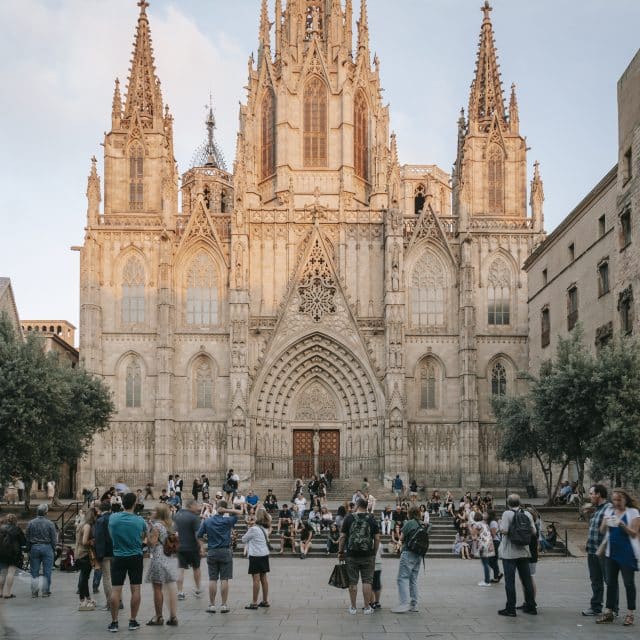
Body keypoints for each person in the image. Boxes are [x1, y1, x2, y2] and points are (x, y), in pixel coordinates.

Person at [596, 488, 640, 626]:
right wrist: (605, 522)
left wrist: (622, 525)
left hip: (627, 553)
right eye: (614, 500)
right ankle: (609, 611)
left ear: (625, 499)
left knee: (628, 584)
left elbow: (633, 533)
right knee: (611, 583)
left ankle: (630, 613)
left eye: (619, 500)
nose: (616, 502)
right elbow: (602, 531)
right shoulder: (609, 511)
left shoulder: (633, 512)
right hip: (611, 553)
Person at [107, 492, 147, 632]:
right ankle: (133, 620)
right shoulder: (140, 520)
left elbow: (111, 535)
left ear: (122, 503)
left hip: (118, 556)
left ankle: (114, 622)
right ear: (135, 503)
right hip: (135, 556)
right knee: (135, 589)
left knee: (116, 589)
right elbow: (145, 537)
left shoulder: (113, 518)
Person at [197, 500, 243, 613]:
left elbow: (199, 536)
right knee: (224, 579)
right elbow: (239, 512)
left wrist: (202, 547)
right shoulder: (227, 521)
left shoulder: (207, 521)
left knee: (212, 579)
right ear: (223, 509)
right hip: (225, 551)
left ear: (216, 508)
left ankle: (212, 605)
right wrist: (226, 510)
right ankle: (223, 605)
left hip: (212, 551)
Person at [338, 497, 380, 615]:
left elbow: (342, 537)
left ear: (357, 505)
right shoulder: (372, 519)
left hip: (351, 554)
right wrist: (374, 552)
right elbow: (377, 538)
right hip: (368, 554)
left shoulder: (349, 518)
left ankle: (353, 607)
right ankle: (367, 608)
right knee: (367, 581)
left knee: (353, 581)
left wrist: (340, 552)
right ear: (366, 506)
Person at [498, 494, 537, 617]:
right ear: (519, 502)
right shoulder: (527, 514)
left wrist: (501, 526)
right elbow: (534, 531)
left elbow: (504, 530)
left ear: (508, 503)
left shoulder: (507, 514)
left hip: (509, 552)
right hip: (524, 552)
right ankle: (531, 606)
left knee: (510, 581)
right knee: (527, 580)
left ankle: (510, 608)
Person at [582, 484, 614, 617]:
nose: (590, 496)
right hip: (592, 550)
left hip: (604, 551)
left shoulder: (609, 508)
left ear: (598, 494)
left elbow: (611, 530)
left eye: (591, 493)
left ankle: (613, 608)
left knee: (609, 580)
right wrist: (588, 515)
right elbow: (593, 528)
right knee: (595, 580)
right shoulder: (597, 509)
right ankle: (595, 607)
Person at [145, 503, 179, 626]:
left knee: (157, 588)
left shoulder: (157, 526)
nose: (152, 512)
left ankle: (158, 617)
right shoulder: (170, 525)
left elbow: (152, 543)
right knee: (171, 587)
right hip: (169, 557)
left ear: (158, 513)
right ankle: (173, 616)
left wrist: (147, 534)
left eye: (154, 510)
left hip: (159, 557)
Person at [391, 505, 424, 613]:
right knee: (413, 580)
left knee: (402, 578)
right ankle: (414, 605)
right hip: (418, 554)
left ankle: (404, 604)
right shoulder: (421, 523)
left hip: (408, 553)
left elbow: (401, 538)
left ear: (409, 513)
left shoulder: (409, 523)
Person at [25, 503, 57, 598]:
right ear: (46, 512)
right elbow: (53, 538)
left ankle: (34, 592)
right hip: (47, 547)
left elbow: (27, 536)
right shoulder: (50, 523)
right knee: (47, 571)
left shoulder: (31, 523)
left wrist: (28, 548)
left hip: (34, 547)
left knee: (34, 570)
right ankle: (45, 591)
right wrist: (54, 548)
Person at [242, 509, 271, 609]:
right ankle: (265, 600)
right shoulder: (265, 528)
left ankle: (254, 602)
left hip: (255, 555)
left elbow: (243, 539)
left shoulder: (254, 529)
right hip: (264, 555)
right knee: (264, 578)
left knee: (256, 580)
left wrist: (250, 526)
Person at [175, 499, 203, 601]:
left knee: (180, 569)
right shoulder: (194, 517)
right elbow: (197, 535)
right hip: (193, 548)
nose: (198, 507)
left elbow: (175, 532)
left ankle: (180, 592)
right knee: (196, 568)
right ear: (190, 505)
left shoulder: (177, 515)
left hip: (180, 547)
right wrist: (201, 547)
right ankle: (198, 589)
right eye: (196, 505)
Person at [94, 501, 117, 611]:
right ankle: (119, 601)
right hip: (117, 551)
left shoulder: (100, 521)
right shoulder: (115, 518)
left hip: (106, 553)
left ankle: (110, 603)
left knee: (107, 578)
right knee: (116, 578)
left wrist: (99, 555)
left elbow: (99, 539)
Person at [76, 507, 98, 610]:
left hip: (79, 552)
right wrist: (92, 541)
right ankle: (82, 600)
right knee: (84, 578)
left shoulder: (81, 524)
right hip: (85, 554)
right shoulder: (88, 526)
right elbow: (85, 541)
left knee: (84, 577)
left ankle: (87, 599)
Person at [0, 514, 27, 599]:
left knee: (2, 573)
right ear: (15, 520)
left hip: (2, 553)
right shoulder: (17, 529)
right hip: (14, 553)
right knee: (10, 573)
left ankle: (0, 592)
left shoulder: (1, 528)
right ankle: (8, 593)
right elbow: (23, 542)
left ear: (7, 520)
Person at [471, 511, 495, 587]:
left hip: (483, 545)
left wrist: (469, 527)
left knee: (485, 564)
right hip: (489, 545)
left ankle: (487, 581)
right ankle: (487, 579)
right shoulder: (485, 524)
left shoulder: (478, 524)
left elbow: (473, 533)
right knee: (487, 563)